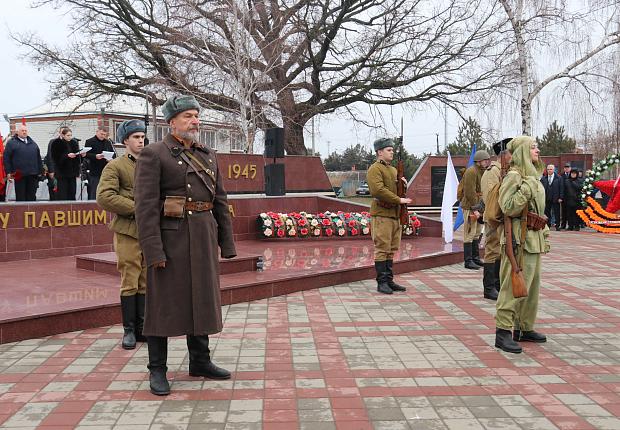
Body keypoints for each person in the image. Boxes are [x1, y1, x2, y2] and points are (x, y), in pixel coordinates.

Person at [134, 94, 236, 396]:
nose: (195, 121)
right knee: (162, 305)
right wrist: (153, 250)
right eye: (188, 116)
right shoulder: (155, 154)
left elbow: (220, 199)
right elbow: (145, 207)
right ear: (172, 121)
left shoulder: (207, 153)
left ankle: (200, 361)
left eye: (196, 115)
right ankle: (157, 369)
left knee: (202, 298)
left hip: (202, 236)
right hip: (171, 239)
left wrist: (226, 243)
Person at [495, 136, 550, 354]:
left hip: (533, 238)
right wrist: (526, 187)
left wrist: (544, 235)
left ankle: (523, 327)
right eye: (533, 147)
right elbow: (508, 207)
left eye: (537, 146)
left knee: (532, 288)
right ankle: (503, 331)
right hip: (517, 240)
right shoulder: (515, 176)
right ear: (522, 152)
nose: (537, 150)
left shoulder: (532, 176)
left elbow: (539, 210)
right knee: (512, 286)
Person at [97, 120, 147, 350]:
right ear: (125, 140)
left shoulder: (151, 163)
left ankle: (142, 327)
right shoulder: (115, 166)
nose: (140, 140)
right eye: (136, 137)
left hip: (150, 230)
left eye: (142, 136)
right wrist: (138, 208)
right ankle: (128, 330)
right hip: (128, 230)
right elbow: (105, 197)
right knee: (130, 279)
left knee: (146, 279)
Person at [366, 138, 412, 295]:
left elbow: (396, 190)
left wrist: (403, 185)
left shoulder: (393, 170)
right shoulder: (375, 169)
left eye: (392, 150)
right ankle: (382, 282)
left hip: (394, 215)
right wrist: (399, 200)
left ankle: (389, 280)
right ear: (379, 152)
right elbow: (377, 190)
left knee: (391, 249)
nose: (392, 152)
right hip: (382, 214)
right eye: (388, 150)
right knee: (382, 248)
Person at [480, 141, 512, 301]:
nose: (511, 157)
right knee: (492, 250)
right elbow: (489, 197)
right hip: (494, 217)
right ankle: (489, 287)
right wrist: (498, 215)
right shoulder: (493, 171)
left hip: (501, 218)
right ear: (503, 155)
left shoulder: (504, 171)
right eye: (510, 154)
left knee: (499, 251)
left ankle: (497, 284)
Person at [459, 150, 491, 270]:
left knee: (477, 233)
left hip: (478, 205)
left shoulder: (482, 171)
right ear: (478, 161)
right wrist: (475, 209)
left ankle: (475, 258)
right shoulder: (471, 171)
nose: (487, 162)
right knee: (469, 233)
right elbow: (469, 192)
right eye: (485, 160)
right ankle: (468, 261)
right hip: (470, 206)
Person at [3, 124, 43, 201]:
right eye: (22, 131)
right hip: (19, 175)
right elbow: (6, 158)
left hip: (32, 175)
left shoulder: (33, 143)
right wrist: (8, 172)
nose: (24, 132)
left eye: (25, 131)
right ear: (17, 132)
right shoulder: (11, 143)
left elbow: (38, 158)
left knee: (31, 197)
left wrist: (40, 172)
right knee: (21, 197)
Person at [50, 127, 81, 200]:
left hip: (72, 173)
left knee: (72, 192)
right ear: (63, 135)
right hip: (62, 173)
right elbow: (55, 158)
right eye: (68, 135)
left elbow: (78, 158)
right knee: (63, 193)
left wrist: (81, 155)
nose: (70, 137)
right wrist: (67, 156)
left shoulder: (74, 143)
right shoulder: (56, 143)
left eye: (71, 135)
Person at [85, 126, 116, 200]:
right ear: (97, 132)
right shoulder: (90, 141)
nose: (103, 136)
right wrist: (95, 156)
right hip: (95, 170)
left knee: (105, 191)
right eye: (101, 134)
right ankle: (93, 207)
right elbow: (86, 154)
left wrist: (111, 158)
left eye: (105, 135)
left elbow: (113, 153)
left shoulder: (107, 142)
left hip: (106, 171)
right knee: (95, 191)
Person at [541, 164, 563, 231]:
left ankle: (557, 225)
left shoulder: (559, 178)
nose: (549, 170)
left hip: (556, 198)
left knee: (557, 213)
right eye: (548, 169)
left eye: (551, 169)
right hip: (547, 198)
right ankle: (548, 225)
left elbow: (561, 188)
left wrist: (561, 197)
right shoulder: (543, 178)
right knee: (547, 212)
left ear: (554, 170)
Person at [559, 162, 571, 229]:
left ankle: (570, 225)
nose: (566, 169)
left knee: (569, 212)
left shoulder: (572, 175)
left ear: (570, 168)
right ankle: (563, 225)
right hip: (564, 197)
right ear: (564, 169)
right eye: (565, 168)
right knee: (563, 212)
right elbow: (561, 187)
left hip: (570, 197)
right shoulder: (561, 176)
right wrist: (561, 197)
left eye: (568, 167)